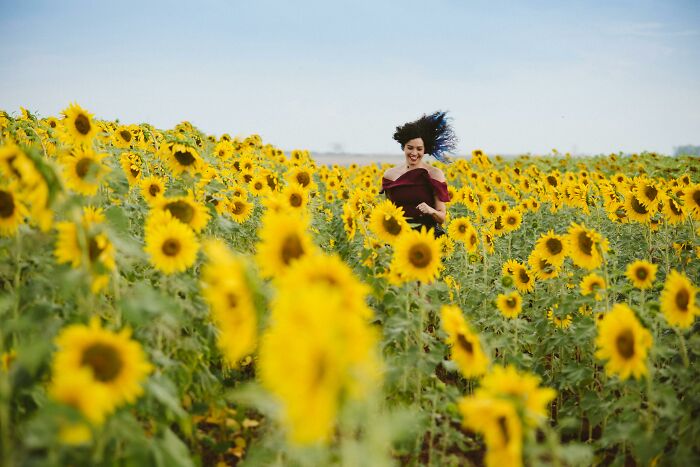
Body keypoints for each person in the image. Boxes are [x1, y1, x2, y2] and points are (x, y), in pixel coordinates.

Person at [381, 111, 457, 237]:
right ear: (403, 147)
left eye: (419, 149)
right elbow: (389, 209)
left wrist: (431, 211)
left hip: (427, 240)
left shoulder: (434, 174)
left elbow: (442, 217)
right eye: (410, 148)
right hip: (399, 239)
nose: (414, 153)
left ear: (425, 150)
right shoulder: (390, 175)